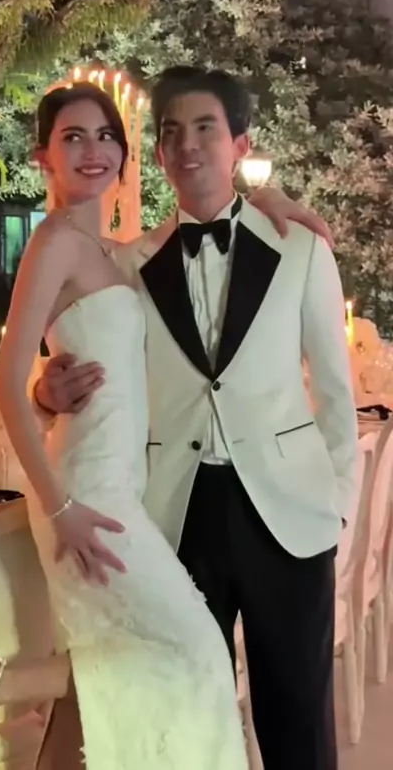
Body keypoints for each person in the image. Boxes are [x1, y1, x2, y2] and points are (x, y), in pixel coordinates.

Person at [0, 81, 250, 770]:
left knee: (107, 674)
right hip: (83, 490)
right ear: (43, 156)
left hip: (120, 485)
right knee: (195, 651)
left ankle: (3, 687)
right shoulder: (55, 240)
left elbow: (218, 210)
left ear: (124, 153)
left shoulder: (111, 252)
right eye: (73, 137)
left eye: (105, 136)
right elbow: (7, 382)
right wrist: (60, 504)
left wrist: (273, 201)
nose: (93, 150)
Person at [33, 67, 358, 770]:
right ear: (156, 154)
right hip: (175, 514)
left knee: (298, 721)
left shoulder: (300, 248)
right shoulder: (128, 265)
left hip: (289, 515)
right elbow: (89, 354)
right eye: (171, 132)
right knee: (186, 710)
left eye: (205, 128)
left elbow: (339, 393)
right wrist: (43, 392)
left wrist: (339, 504)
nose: (187, 144)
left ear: (239, 143)